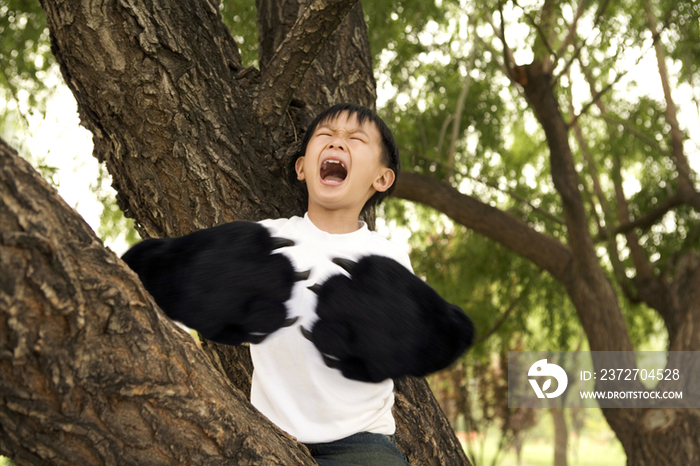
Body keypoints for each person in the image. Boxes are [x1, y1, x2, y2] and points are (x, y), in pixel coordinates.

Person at [122, 103, 473, 466]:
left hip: (359, 443)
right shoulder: (266, 239)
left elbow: (415, 343)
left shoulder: (387, 260)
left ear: (382, 179)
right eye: (325, 135)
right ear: (302, 167)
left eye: (355, 139)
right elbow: (189, 293)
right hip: (270, 433)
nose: (337, 143)